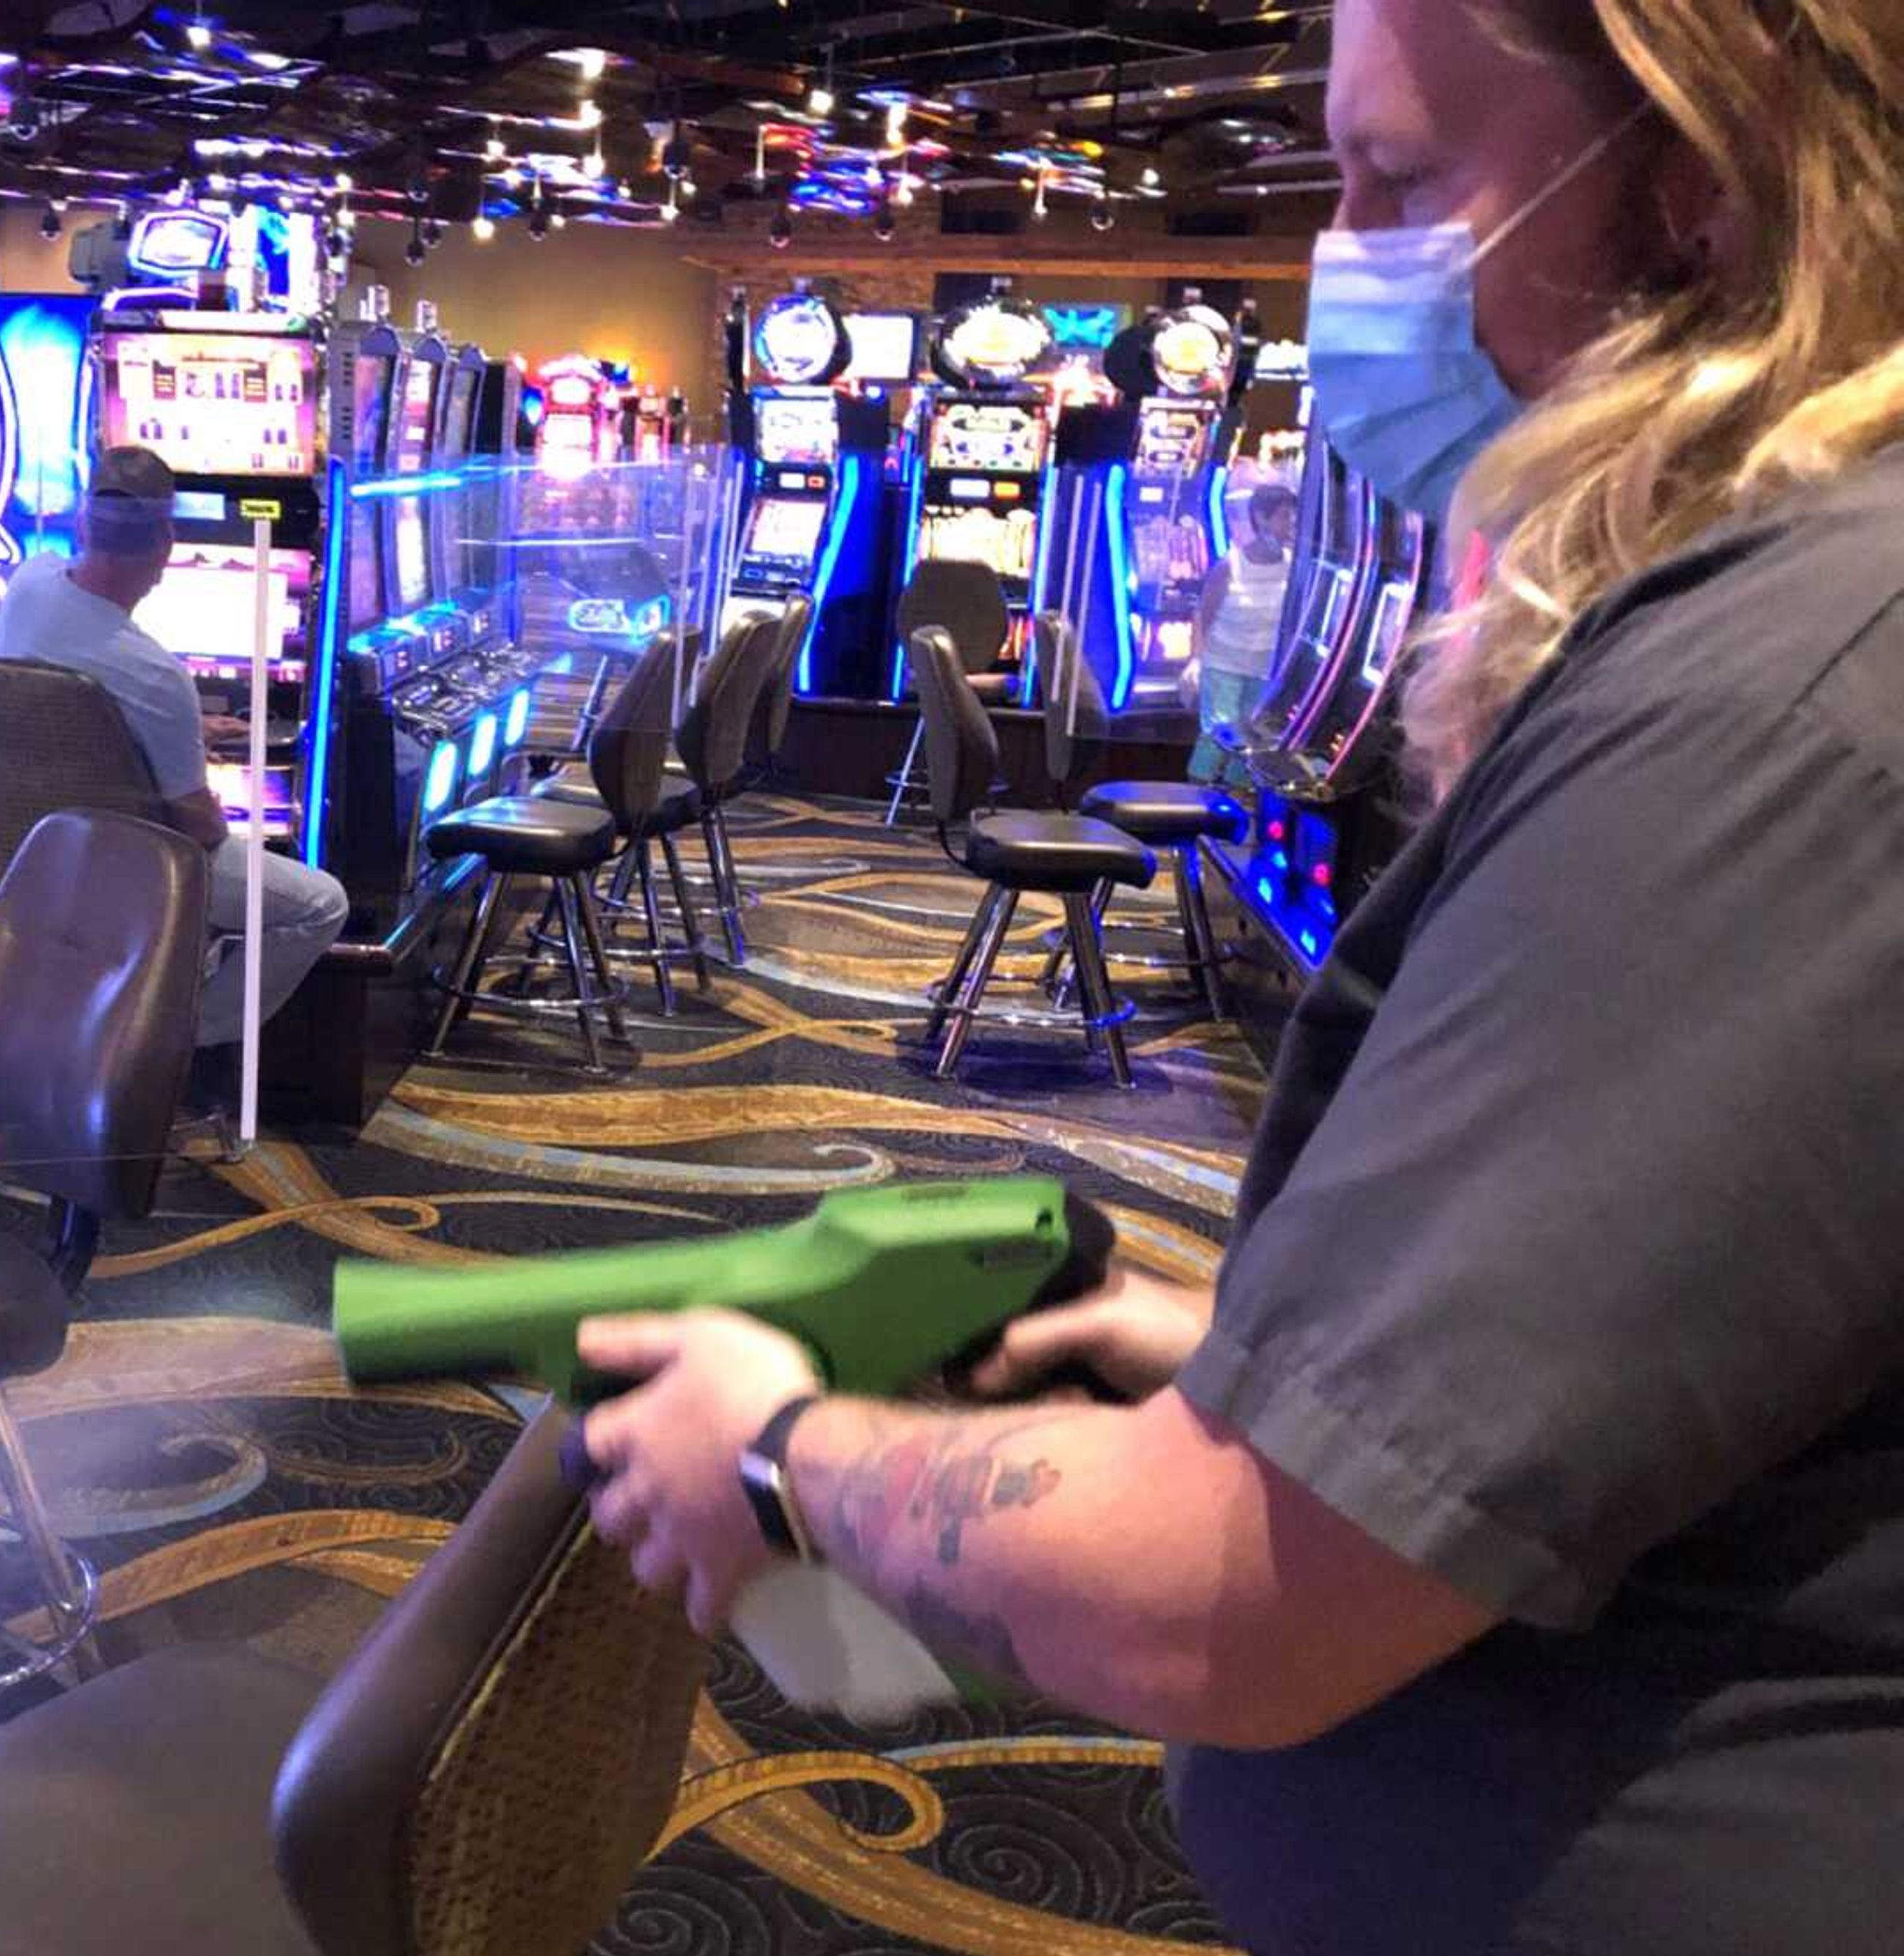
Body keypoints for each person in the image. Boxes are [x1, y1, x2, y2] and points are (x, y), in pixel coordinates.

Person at [570, 5, 1904, 1954]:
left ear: (1707, 180)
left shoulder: (1768, 709)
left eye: (1403, 180)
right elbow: (1712, 1355)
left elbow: (1230, 1598)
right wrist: (1269, 1363)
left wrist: (781, 1450)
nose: (1331, 259)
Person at [0, 446, 350, 1049]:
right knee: (319, 903)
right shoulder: (157, 678)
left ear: (83, 527)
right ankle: (177, 1039)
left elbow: (73, 709)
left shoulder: (27, 585)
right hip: (131, 864)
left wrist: (170, 736)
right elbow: (200, 826)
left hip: (24, 843)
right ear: (166, 548)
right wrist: (187, 743)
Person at [1185, 484, 1297, 787]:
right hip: (1224, 662)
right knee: (1219, 730)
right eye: (1286, 516)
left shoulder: (1293, 566)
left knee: (1253, 737)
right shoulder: (1230, 565)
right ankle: (1197, 795)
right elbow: (1203, 615)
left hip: (1264, 666)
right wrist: (1195, 660)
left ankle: (1236, 802)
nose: (1293, 524)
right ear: (1261, 517)